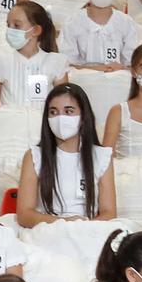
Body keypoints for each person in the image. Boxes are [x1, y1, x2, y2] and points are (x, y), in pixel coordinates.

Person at [15, 83, 115, 224]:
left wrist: (83, 227)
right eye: (54, 112)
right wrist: (63, 222)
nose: (60, 118)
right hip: (47, 230)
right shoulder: (34, 156)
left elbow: (109, 213)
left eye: (68, 111)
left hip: (88, 231)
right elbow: (25, 214)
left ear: (83, 117)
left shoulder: (102, 156)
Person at [0, 1, 67, 108]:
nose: (10, 30)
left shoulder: (56, 62)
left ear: (35, 30)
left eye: (16, 25)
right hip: (9, 122)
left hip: (40, 123)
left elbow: (63, 105)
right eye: (8, 25)